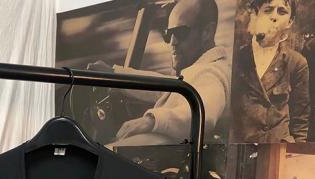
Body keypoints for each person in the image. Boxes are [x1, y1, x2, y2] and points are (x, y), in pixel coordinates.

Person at [115, 0, 230, 143]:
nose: (172, 42)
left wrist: (151, 121)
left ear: (207, 32)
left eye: (180, 33)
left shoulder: (211, 75)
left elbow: (203, 112)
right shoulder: (198, 70)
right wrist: (115, 73)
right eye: (168, 34)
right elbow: (164, 87)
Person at [231, 0, 310, 142]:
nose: (274, 17)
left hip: (278, 147)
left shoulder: (296, 63)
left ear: (290, 21)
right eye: (268, 10)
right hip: (243, 148)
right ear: (256, 14)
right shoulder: (236, 58)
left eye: (282, 12)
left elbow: (300, 122)